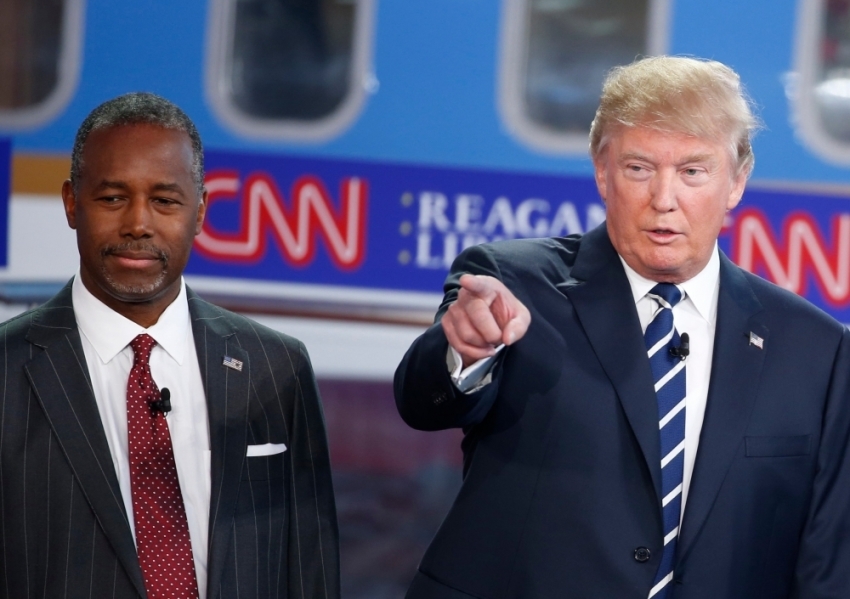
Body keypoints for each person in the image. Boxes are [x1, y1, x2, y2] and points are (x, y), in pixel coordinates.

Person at [394, 56, 850, 598]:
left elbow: (826, 559)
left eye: (693, 171)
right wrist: (465, 351)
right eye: (639, 168)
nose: (664, 199)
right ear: (602, 171)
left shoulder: (815, 350)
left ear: (737, 181)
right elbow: (424, 404)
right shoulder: (513, 285)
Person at [0, 93, 339, 599]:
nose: (138, 223)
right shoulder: (8, 370)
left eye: (165, 201)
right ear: (72, 203)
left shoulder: (277, 368)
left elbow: (309, 571)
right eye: (113, 198)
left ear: (200, 211)